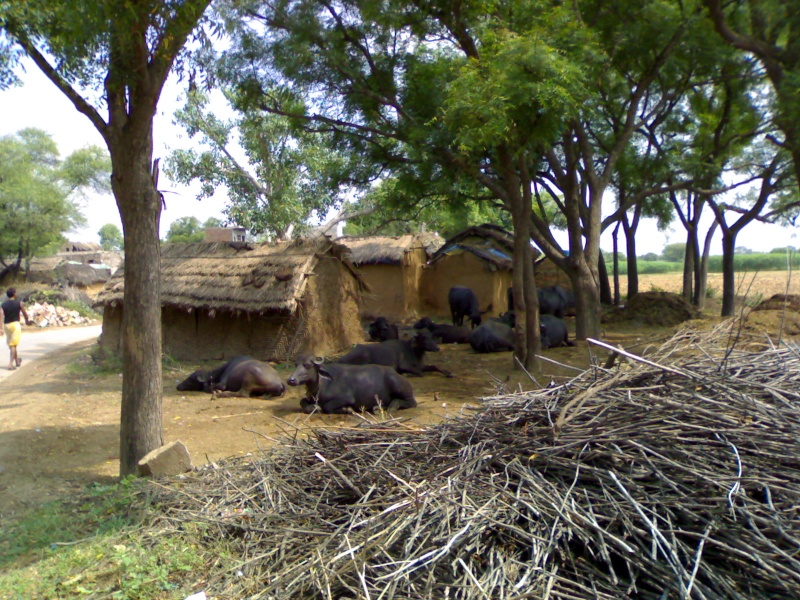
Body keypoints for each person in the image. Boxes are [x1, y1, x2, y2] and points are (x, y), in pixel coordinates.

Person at [0, 287, 31, 371]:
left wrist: (1, 328)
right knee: (13, 345)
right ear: (14, 294)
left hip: (7, 325)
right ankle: (10, 364)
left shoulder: (3, 305)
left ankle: (17, 361)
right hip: (15, 325)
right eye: (16, 292)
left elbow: (1, 316)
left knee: (12, 344)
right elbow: (24, 313)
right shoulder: (19, 303)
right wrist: (27, 321)